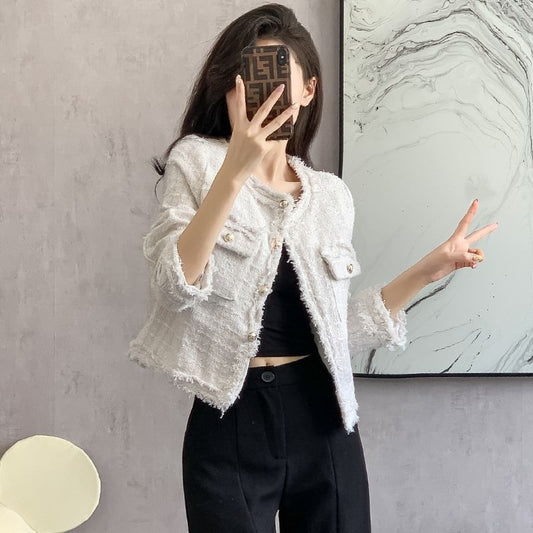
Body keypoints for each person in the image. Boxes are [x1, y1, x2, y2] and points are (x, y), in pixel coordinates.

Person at [128, 4, 498, 532]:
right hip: (229, 418)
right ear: (229, 87)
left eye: (280, 74)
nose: (265, 90)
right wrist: (234, 170)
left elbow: (336, 332)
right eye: (250, 74)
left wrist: (428, 269)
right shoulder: (197, 162)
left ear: (308, 90)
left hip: (323, 417)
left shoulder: (330, 197)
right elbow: (172, 286)